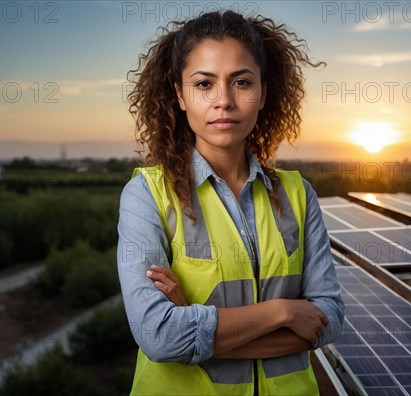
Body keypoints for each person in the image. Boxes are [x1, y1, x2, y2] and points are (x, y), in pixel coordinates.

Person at [117, 9, 344, 395]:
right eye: (204, 84)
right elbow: (158, 337)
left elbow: (329, 320)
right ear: (180, 95)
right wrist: (283, 311)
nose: (224, 100)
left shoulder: (298, 193)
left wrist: (197, 329)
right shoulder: (146, 195)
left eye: (241, 82)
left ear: (264, 93)